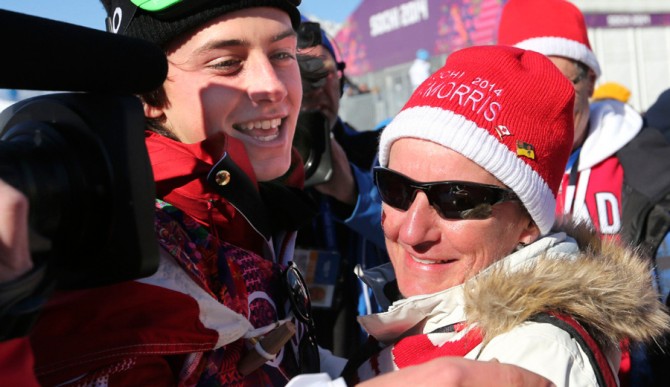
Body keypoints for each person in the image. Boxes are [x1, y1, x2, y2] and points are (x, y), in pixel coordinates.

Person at [26, 1, 331, 385]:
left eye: (282, 54)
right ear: (147, 96)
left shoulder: (247, 208)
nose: (271, 85)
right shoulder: (118, 256)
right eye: (226, 63)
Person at [333, 44, 667, 386]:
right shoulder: (449, 314)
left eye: (456, 199)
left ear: (527, 223)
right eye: (396, 190)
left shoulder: (535, 354)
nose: (412, 232)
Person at [497, 0, 670, 385]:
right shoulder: (485, 174)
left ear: (590, 80)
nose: (550, 102)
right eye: (531, 86)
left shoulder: (648, 166)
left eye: (565, 83)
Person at [293, 20, 389, 357]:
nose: (313, 89)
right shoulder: (257, 167)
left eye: (322, 72)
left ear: (342, 79)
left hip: (368, 348)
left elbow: (420, 238)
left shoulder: (376, 152)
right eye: (296, 74)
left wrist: (355, 194)